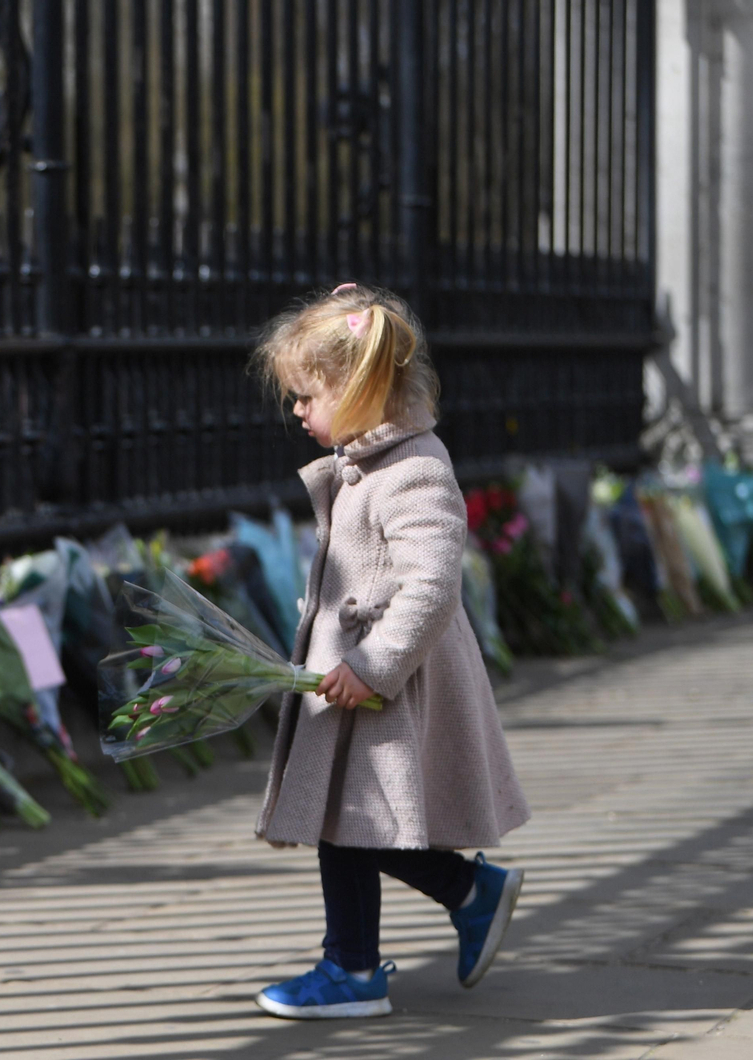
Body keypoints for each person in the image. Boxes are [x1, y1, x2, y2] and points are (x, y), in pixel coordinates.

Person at [248, 282, 531, 1019]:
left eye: (307, 396)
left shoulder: (413, 469)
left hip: (387, 687)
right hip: (357, 683)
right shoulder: (370, 463)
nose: (299, 412)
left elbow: (433, 583)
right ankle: (464, 896)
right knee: (352, 821)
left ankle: (354, 968)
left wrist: (372, 665)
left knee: (353, 820)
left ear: (361, 386)